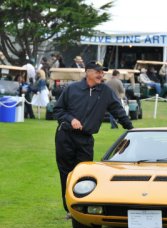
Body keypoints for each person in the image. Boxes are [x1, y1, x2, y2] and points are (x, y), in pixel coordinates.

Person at [54, 61, 133, 217]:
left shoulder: (105, 91)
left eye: (102, 72)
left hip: (85, 139)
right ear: (87, 72)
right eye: (97, 72)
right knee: (67, 173)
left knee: (85, 175)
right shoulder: (72, 89)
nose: (101, 75)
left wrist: (131, 129)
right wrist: (71, 119)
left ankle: (81, 206)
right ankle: (69, 209)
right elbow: (58, 110)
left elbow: (118, 110)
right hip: (65, 136)